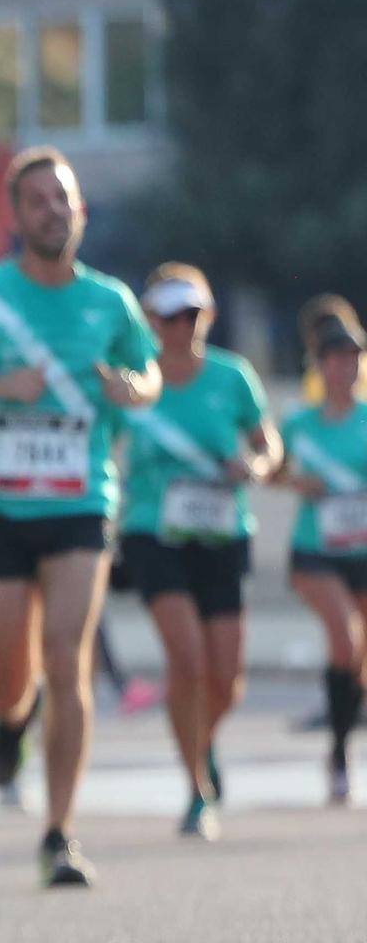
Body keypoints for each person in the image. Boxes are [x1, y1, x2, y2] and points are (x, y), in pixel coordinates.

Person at [0, 147, 158, 888]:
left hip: (80, 500)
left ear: (80, 211)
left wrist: (130, 387)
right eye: (37, 200)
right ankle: (13, 719)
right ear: (15, 217)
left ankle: (60, 831)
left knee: (67, 652)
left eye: (63, 198)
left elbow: (144, 374)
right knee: (9, 671)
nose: (53, 209)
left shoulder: (111, 302)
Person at [117, 266, 278, 839]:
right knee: (186, 660)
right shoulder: (134, 378)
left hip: (221, 531)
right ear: (151, 321)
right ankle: (196, 789)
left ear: (207, 317)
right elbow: (100, 431)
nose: (181, 327)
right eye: (169, 316)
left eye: (192, 315)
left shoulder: (233, 376)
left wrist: (254, 466)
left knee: (226, 678)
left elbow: (267, 443)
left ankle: (200, 741)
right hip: (152, 531)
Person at [279, 310, 367, 806]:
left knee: (359, 658)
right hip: (316, 551)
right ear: (320, 365)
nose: (345, 367)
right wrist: (295, 481)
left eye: (353, 357)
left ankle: (342, 741)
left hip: (363, 549)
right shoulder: (298, 423)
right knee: (344, 637)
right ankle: (337, 753)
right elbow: (269, 467)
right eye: (335, 357)